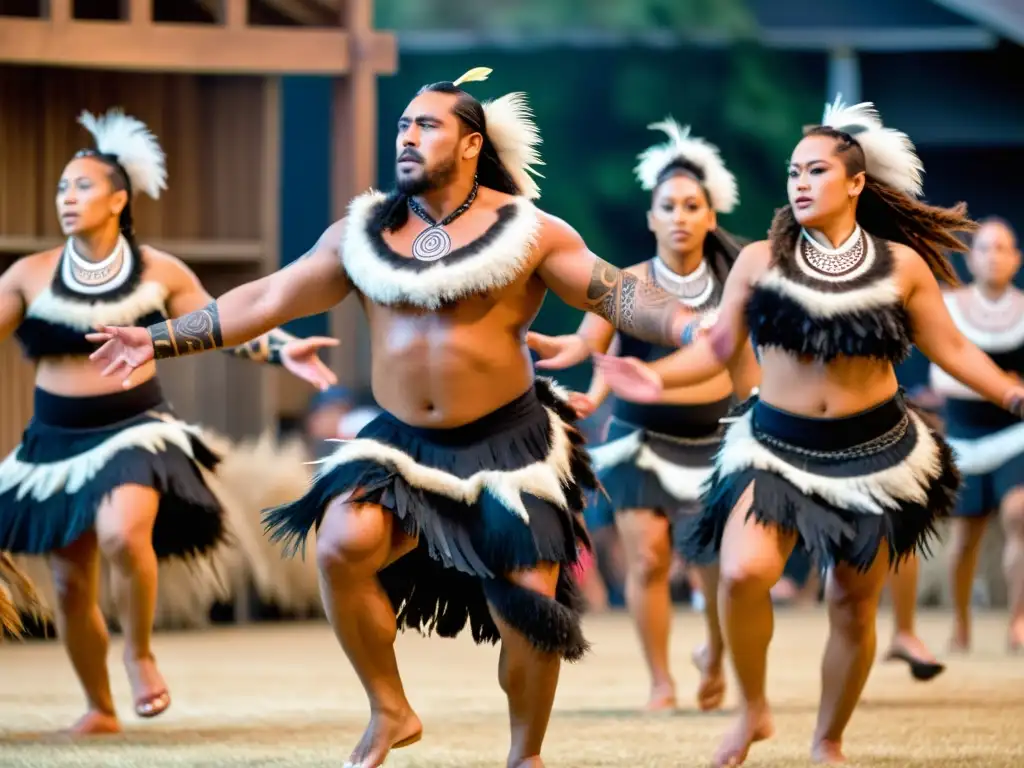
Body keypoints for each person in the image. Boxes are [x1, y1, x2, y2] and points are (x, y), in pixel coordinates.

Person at [85, 68, 710, 768]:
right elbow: (267, 299)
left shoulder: (528, 231)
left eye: (427, 126)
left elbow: (618, 293)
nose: (407, 138)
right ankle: (390, 708)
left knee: (528, 616)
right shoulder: (362, 233)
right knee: (339, 546)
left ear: (471, 144)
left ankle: (525, 754)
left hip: (509, 445)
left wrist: (690, 328)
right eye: (402, 127)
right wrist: (159, 336)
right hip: (403, 447)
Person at [594, 97, 1024, 765]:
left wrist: (1010, 392)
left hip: (875, 457)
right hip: (774, 450)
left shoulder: (900, 267)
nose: (799, 181)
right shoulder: (759, 261)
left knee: (851, 604)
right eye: (794, 171)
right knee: (742, 572)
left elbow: (954, 351)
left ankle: (828, 740)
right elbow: (714, 350)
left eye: (816, 170)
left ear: (855, 183)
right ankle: (754, 711)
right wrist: (656, 380)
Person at [0, 108, 336, 733]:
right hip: (52, 443)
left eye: (82, 187)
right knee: (72, 583)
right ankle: (99, 707)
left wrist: (285, 348)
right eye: (61, 189)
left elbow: (223, 325)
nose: (67, 199)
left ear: (118, 199)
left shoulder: (160, 271)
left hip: (136, 429)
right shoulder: (30, 274)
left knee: (125, 534)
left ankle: (140, 652)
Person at [526, 118, 756, 712]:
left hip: (714, 437)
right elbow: (596, 349)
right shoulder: (626, 282)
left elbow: (745, 369)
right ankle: (660, 679)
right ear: (650, 217)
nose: (679, 216)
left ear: (710, 216)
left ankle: (714, 646)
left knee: (711, 561)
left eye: (691, 205)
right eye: (667, 206)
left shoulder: (736, 284)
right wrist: (590, 398)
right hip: (639, 438)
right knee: (649, 557)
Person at [928, 217, 1024, 652]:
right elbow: (941, 375)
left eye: (1002, 248)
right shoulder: (947, 307)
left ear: (1016, 258)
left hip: (1014, 435)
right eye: (984, 248)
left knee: (1019, 515)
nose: (993, 256)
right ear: (971, 258)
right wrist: (1005, 383)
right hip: (964, 436)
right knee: (964, 537)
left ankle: (1018, 621)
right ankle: (961, 622)